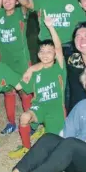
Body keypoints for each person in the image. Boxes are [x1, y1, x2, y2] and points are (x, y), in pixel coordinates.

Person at [8, 12, 66, 159]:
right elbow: (21, 88)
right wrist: (11, 76)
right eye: (42, 51)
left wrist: (50, 27)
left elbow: (59, 47)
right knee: (24, 117)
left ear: (55, 55)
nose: (45, 54)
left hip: (55, 109)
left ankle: (45, 128)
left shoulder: (59, 68)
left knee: (51, 144)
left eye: (49, 52)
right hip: (39, 106)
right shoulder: (34, 72)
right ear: (38, 54)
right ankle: (26, 148)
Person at [15, 0, 86, 56]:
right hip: (48, 47)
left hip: (70, 46)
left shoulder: (75, 0)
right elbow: (26, 3)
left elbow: (84, 25)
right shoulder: (41, 0)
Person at [0, 0, 33, 135]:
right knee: (8, 92)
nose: (8, 0)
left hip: (22, 61)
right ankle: (11, 122)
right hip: (6, 62)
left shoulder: (20, 13)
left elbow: (26, 5)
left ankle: (31, 123)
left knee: (25, 92)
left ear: (17, 0)